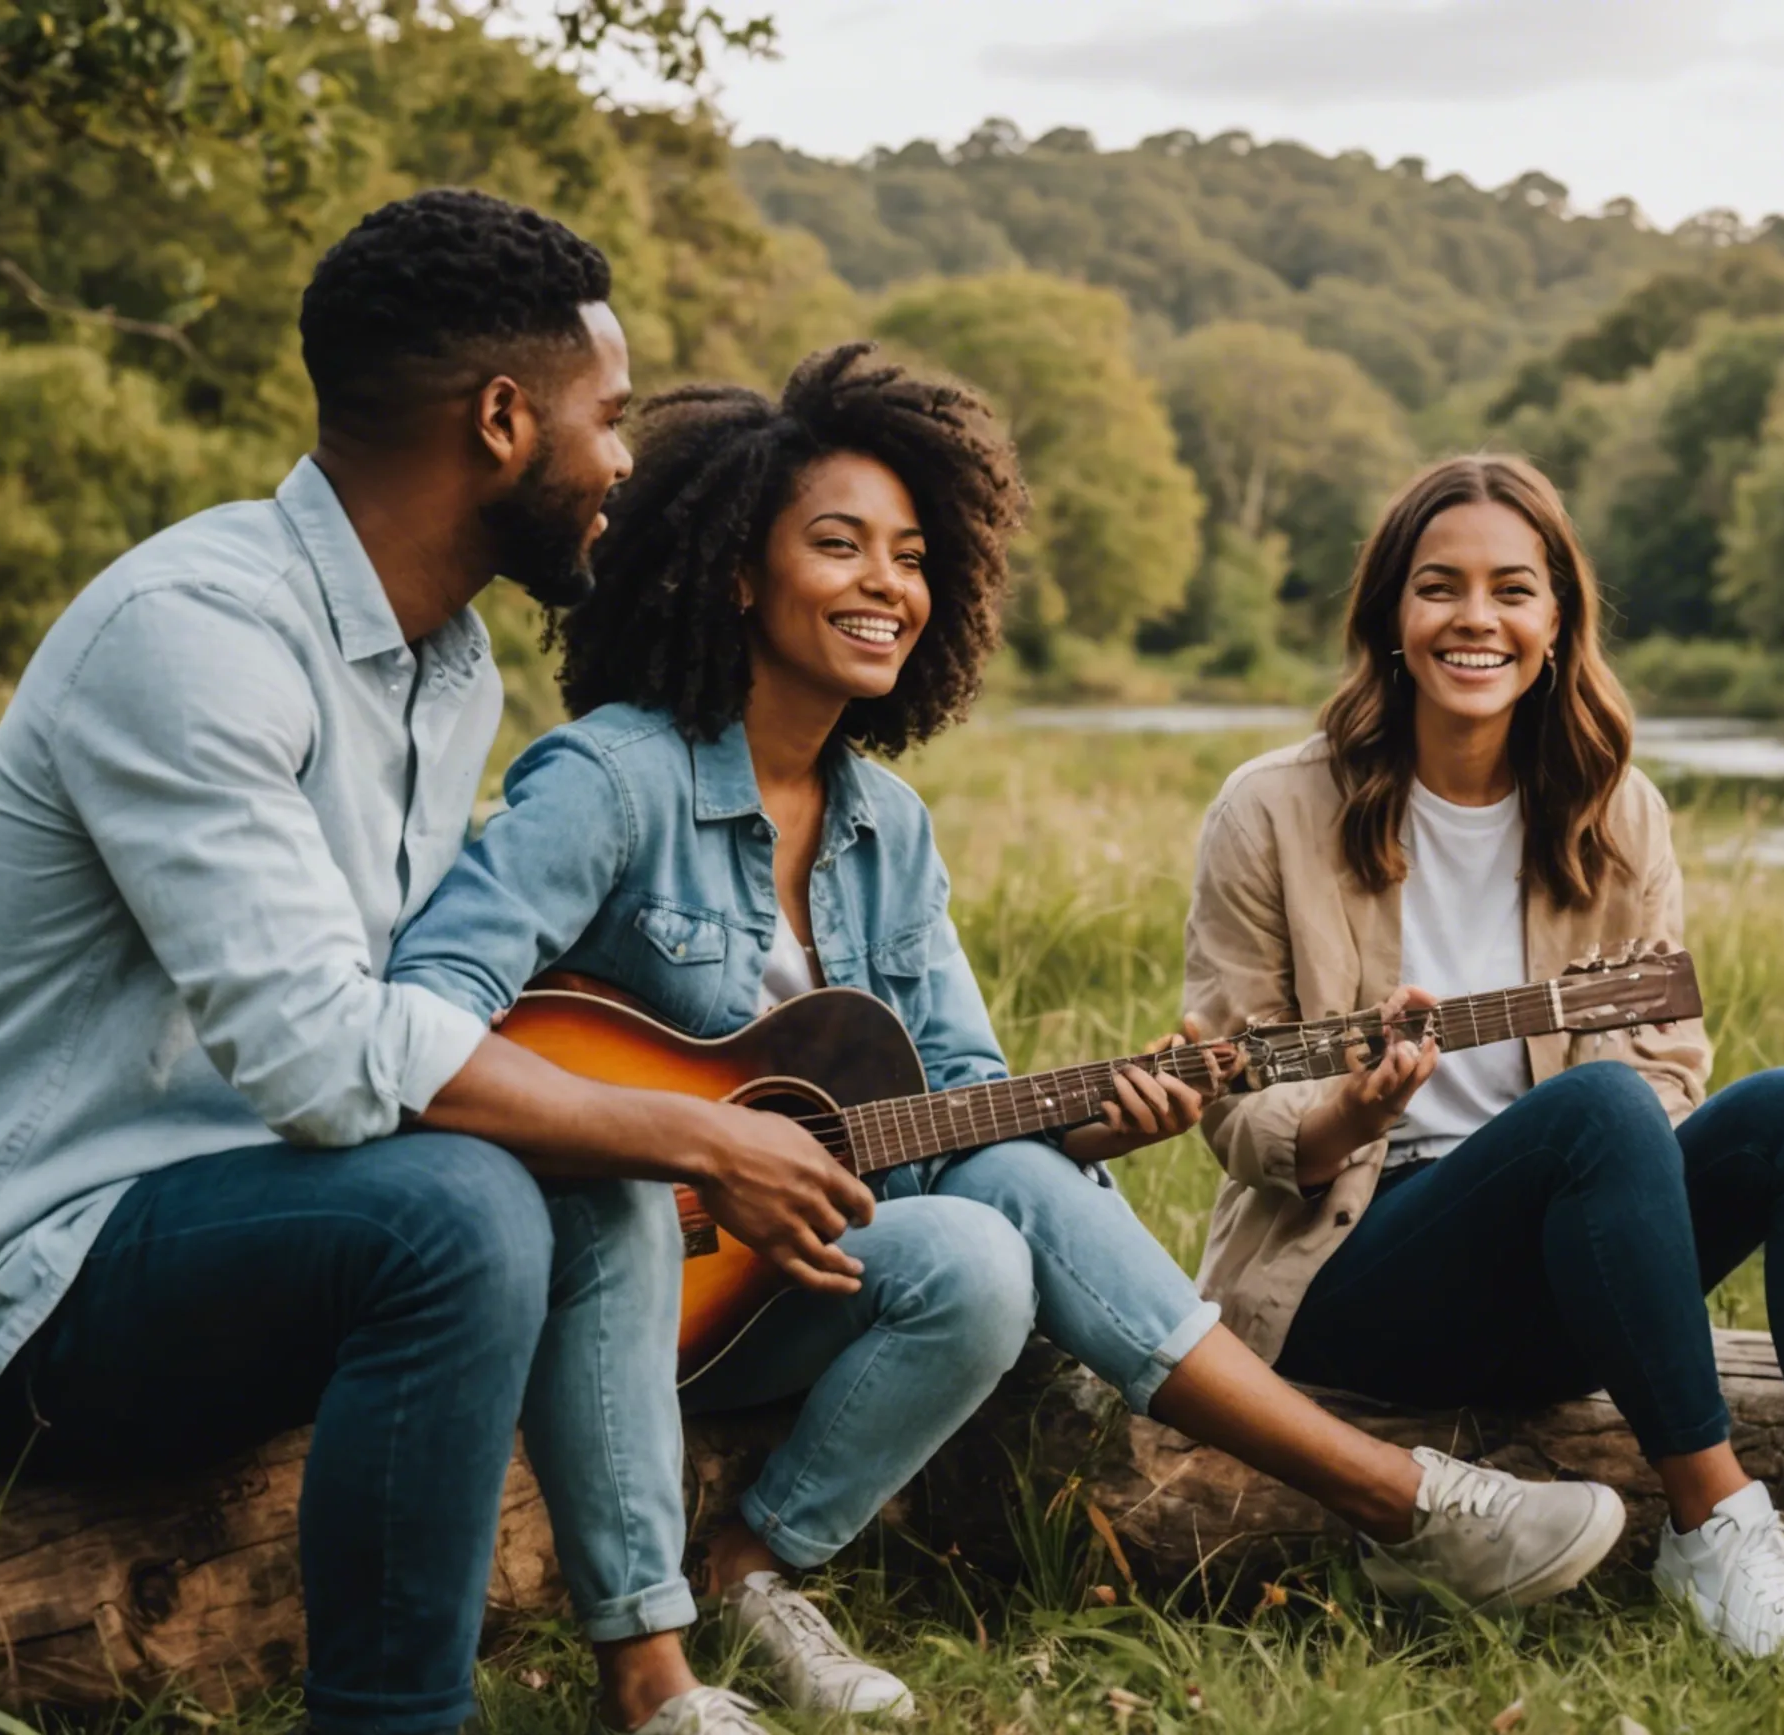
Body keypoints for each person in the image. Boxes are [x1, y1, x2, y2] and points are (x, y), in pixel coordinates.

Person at [386, 349, 1629, 1719]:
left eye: (913, 556)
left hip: (776, 1285)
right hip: (614, 1272)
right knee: (778, 1208)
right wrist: (687, 1137)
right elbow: (428, 1008)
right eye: (839, 545)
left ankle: (754, 1567)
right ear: (737, 569)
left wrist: (1115, 1110)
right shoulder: (613, 776)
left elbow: (966, 1093)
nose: (887, 583)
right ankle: (1395, 1496)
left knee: (992, 1225)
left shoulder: (887, 829)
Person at [0, 190, 852, 1735]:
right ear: (501, 419)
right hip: (40, 1292)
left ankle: (650, 1669)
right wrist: (699, 1128)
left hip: (277, 1232)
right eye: (608, 420)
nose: (627, 463)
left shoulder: (445, 663)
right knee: (468, 1194)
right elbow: (332, 1057)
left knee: (565, 1158)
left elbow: (432, 1006)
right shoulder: (193, 633)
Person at [1179, 455, 1784, 1695]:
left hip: (1579, 1261)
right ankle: (1711, 1522)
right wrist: (1350, 1106)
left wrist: (1609, 1174)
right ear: (1388, 619)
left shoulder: (1616, 811)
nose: (1477, 619)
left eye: (1513, 589)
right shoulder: (1271, 810)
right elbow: (1230, 1101)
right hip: (1353, 1274)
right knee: (1596, 1109)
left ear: (1558, 619)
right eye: (1439, 588)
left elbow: (1666, 1063)